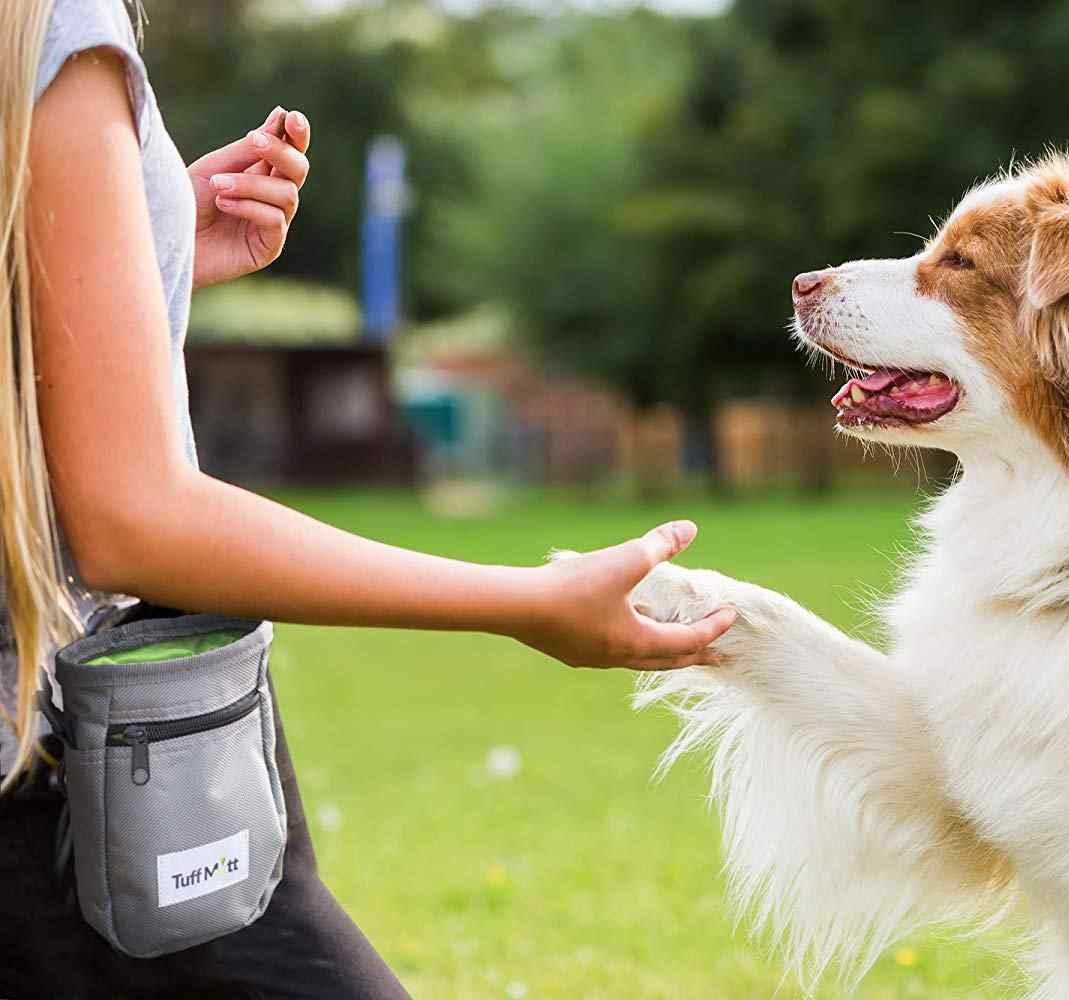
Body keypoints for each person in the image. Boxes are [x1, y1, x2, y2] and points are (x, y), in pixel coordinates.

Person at [0, 1, 735, 996]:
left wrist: (146, 249)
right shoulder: (49, 26)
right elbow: (132, 518)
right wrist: (525, 601)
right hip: (54, 775)